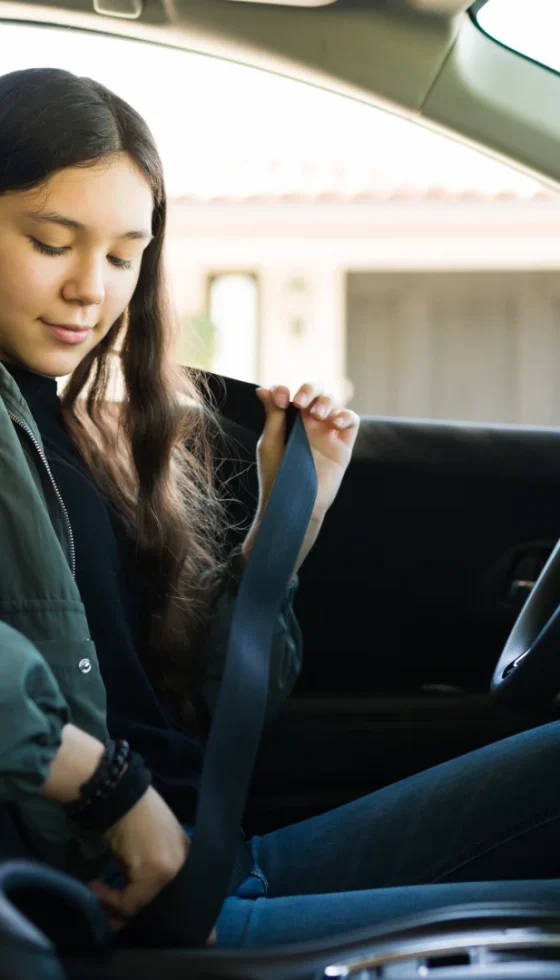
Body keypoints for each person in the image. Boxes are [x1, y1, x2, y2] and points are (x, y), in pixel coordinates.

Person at [1, 66, 560, 953]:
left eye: (120, 256)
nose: (89, 289)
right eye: (51, 241)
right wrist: (110, 789)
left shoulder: (62, 424)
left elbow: (199, 718)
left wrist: (284, 528)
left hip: (219, 859)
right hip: (140, 917)